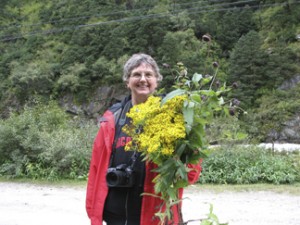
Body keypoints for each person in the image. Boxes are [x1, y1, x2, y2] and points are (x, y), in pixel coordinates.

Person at [85, 53, 202, 225]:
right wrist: (93, 212)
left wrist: (179, 163)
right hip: (116, 217)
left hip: (155, 215)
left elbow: (191, 172)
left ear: (157, 80)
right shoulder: (112, 119)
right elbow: (96, 168)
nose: (143, 79)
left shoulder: (173, 117)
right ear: (127, 81)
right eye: (136, 74)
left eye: (149, 75)